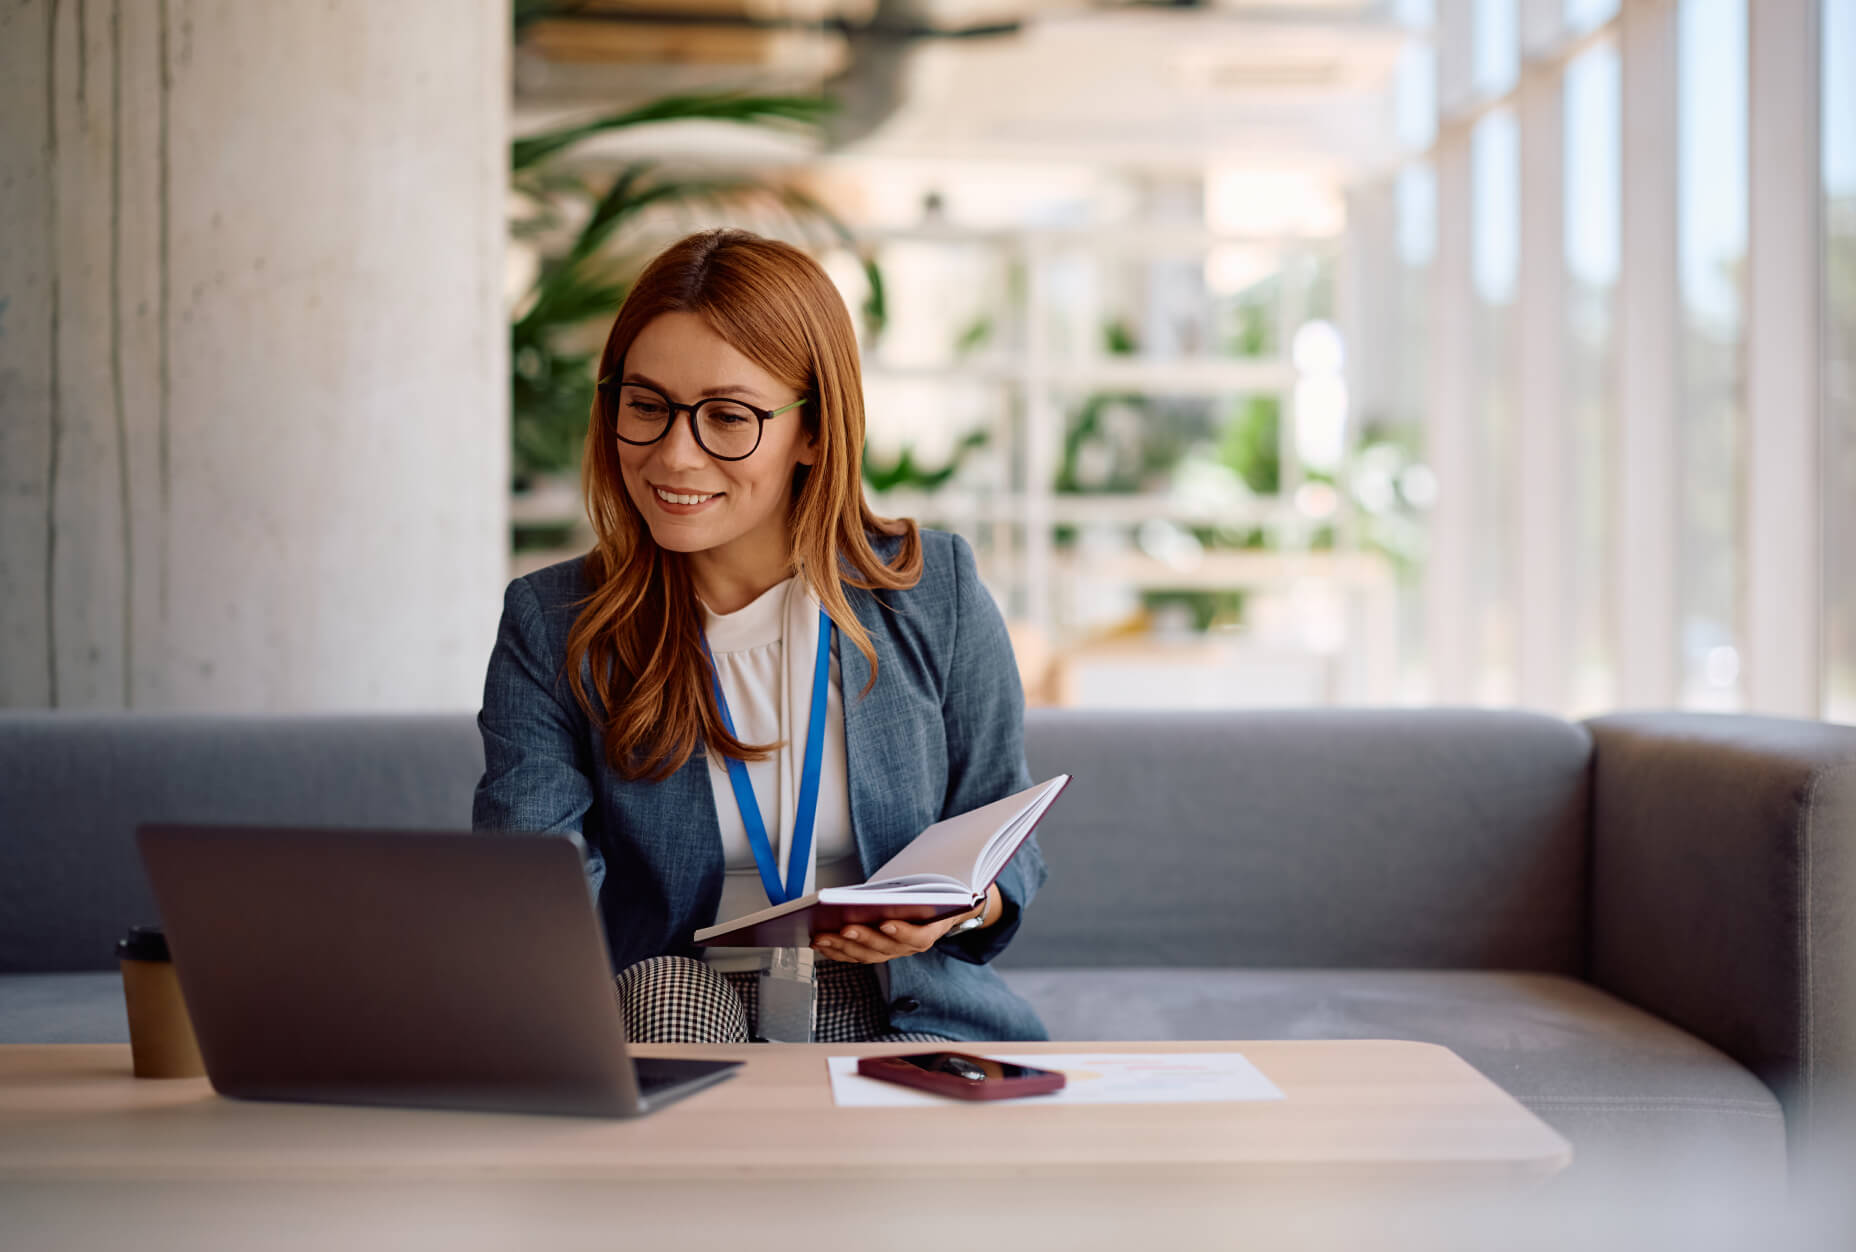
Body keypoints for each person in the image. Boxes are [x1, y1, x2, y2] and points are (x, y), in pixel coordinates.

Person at [472, 228, 1049, 1045]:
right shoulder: (557, 621)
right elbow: (524, 882)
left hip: (889, 994)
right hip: (676, 994)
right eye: (647, 407)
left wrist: (955, 909)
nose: (675, 455)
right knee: (665, 999)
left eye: (727, 417)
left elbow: (1003, 827)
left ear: (812, 433)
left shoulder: (934, 591)